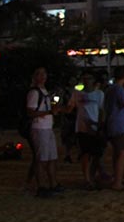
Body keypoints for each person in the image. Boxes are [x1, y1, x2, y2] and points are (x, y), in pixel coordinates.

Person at [26, 67, 63, 198]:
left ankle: (53, 184)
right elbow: (30, 112)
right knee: (41, 159)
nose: (43, 76)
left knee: (51, 157)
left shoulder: (44, 91)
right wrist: (49, 112)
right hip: (40, 127)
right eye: (39, 74)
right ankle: (41, 186)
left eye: (44, 73)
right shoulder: (35, 92)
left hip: (47, 127)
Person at [71, 72, 106, 189]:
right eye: (84, 79)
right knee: (85, 153)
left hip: (95, 127)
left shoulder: (99, 94)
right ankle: (87, 179)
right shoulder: (77, 93)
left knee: (96, 153)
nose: (86, 81)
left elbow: (101, 110)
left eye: (89, 78)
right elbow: (71, 107)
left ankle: (93, 175)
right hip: (82, 127)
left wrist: (100, 125)